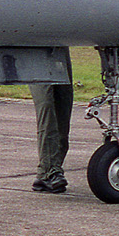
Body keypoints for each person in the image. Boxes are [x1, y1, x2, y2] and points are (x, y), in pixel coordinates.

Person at [30, 49, 74, 194]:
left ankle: (48, 172)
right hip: (35, 49)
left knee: (63, 103)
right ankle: (51, 171)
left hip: (59, 48)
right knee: (47, 106)